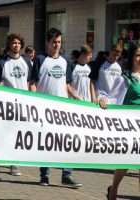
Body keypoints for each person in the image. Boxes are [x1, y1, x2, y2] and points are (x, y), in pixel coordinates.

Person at [30, 27, 82, 188]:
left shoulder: (66, 61)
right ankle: (44, 175)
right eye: (54, 42)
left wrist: (79, 98)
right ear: (47, 43)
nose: (56, 45)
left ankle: (67, 174)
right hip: (44, 109)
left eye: (59, 42)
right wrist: (35, 100)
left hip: (63, 110)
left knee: (67, 141)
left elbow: (67, 85)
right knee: (46, 142)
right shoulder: (39, 59)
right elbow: (32, 83)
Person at [0, 33, 32, 176]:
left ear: (21, 45)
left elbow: (30, 83)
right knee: (9, 133)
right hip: (8, 104)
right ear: (9, 45)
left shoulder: (27, 62)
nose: (16, 45)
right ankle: (13, 163)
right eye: (13, 43)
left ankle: (15, 160)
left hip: (24, 103)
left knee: (20, 133)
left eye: (18, 43)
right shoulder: (2, 63)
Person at [107, 44, 140, 200]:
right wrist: (103, 100)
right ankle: (114, 189)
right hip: (130, 126)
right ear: (132, 58)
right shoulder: (126, 77)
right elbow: (112, 96)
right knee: (126, 161)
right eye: (138, 55)